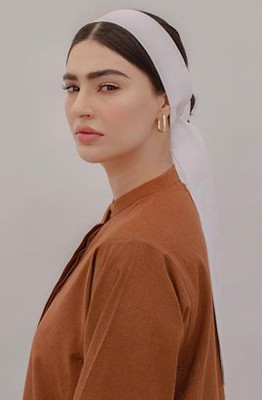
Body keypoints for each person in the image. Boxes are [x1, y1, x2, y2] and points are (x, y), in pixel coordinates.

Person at [22, 8, 224, 400]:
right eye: (72, 87)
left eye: (108, 87)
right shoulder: (158, 209)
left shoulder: (137, 246)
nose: (81, 106)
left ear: (164, 99)